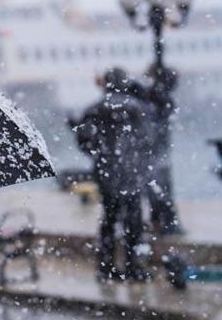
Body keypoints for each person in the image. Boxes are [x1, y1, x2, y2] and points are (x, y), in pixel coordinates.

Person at [72, 68, 153, 281]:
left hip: (106, 170)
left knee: (109, 218)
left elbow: (83, 141)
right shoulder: (136, 108)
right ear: (124, 83)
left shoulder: (94, 109)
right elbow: (147, 141)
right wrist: (137, 160)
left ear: (106, 84)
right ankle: (133, 266)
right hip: (130, 171)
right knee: (133, 220)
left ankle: (106, 267)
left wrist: (99, 156)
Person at [127, 63, 182, 234]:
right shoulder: (163, 101)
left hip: (151, 151)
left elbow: (137, 91)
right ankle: (164, 222)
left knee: (156, 188)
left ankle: (163, 223)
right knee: (160, 188)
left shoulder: (158, 100)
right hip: (157, 151)